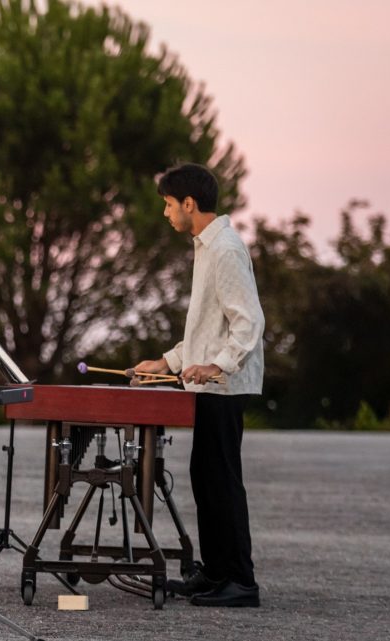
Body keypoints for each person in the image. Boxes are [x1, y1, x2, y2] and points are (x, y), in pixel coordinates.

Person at [134, 163, 265, 608]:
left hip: (224, 387)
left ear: (189, 204)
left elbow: (248, 323)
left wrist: (217, 366)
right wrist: (166, 362)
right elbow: (206, 326)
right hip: (210, 385)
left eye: (169, 205)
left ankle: (240, 582)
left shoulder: (225, 248)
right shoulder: (205, 247)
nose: (166, 214)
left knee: (222, 481)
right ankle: (214, 574)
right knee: (205, 478)